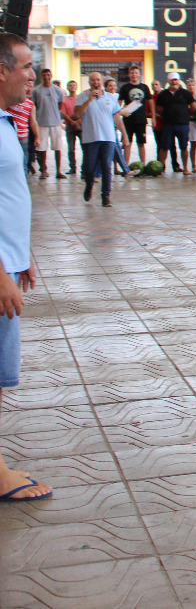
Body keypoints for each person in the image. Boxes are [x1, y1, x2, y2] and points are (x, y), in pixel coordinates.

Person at [0, 33, 53, 501]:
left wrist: (20, 257)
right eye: (25, 66)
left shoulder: (4, 121)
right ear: (1, 70)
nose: (32, 75)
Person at [75, 71, 125, 207]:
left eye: (98, 79)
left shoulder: (110, 98)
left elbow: (117, 118)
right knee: (90, 168)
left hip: (108, 138)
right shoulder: (82, 96)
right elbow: (77, 113)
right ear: (89, 82)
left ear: (101, 81)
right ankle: (89, 185)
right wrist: (89, 100)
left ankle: (106, 196)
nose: (95, 82)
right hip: (90, 138)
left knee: (106, 167)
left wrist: (124, 135)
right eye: (92, 80)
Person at [154, 73, 194, 174]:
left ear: (179, 81)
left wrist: (185, 114)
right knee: (164, 147)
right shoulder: (162, 94)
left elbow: (194, 107)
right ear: (168, 81)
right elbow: (158, 108)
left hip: (183, 125)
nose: (174, 82)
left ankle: (185, 168)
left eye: (176, 80)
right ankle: (160, 168)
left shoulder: (186, 93)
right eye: (172, 80)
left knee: (184, 147)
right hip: (168, 125)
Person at [31, 69, 65, 179]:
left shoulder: (57, 90)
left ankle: (58, 171)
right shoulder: (36, 91)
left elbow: (60, 105)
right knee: (42, 148)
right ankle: (43, 170)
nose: (46, 77)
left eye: (48, 75)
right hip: (41, 122)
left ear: (51, 76)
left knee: (58, 147)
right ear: (41, 77)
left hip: (55, 122)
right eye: (44, 75)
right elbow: (35, 105)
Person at [118, 65, 152, 167]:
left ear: (139, 74)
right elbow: (118, 105)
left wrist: (153, 117)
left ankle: (143, 165)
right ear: (129, 74)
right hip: (128, 120)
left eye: (136, 73)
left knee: (141, 143)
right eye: (132, 73)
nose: (134, 75)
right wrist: (119, 113)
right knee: (127, 143)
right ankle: (125, 166)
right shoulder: (125, 88)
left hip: (141, 120)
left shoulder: (144, 87)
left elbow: (151, 103)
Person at [60, 80, 80, 176]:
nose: (72, 87)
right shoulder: (64, 99)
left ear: (77, 87)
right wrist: (72, 122)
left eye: (74, 85)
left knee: (85, 147)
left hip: (81, 125)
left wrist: (78, 122)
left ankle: (85, 167)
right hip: (69, 126)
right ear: (67, 87)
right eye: (70, 85)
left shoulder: (80, 99)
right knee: (71, 148)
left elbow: (84, 111)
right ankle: (72, 167)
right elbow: (63, 113)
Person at [185, 77, 196, 171]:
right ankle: (193, 165)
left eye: (193, 85)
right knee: (193, 143)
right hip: (191, 122)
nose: (191, 87)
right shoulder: (186, 96)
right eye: (189, 85)